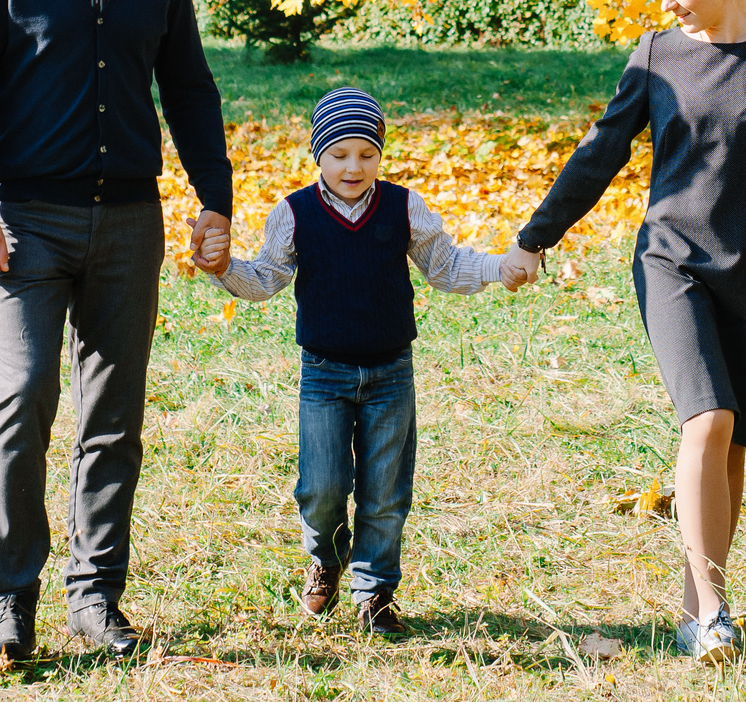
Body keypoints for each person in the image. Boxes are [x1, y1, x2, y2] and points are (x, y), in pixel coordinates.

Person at [502, 0, 746, 665]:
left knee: (734, 444)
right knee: (708, 417)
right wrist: (535, 238)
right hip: (672, 262)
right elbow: (599, 153)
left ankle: (699, 613)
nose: (667, 1)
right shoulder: (656, 56)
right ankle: (715, 610)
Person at [0, 0, 233, 668]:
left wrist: (213, 199)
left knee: (113, 417)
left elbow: (191, 91)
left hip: (130, 222)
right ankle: (9, 605)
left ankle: (96, 597)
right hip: (24, 224)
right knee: (23, 397)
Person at [197, 86, 518, 636]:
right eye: (339, 154)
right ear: (318, 156)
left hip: (391, 372)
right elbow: (267, 278)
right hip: (325, 374)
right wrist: (223, 266)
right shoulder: (294, 214)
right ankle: (325, 557)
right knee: (321, 489)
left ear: (380, 154)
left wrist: (498, 268)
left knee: (385, 491)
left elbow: (445, 267)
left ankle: (375, 592)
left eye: (367, 153)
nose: (354, 165)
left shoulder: (403, 207)